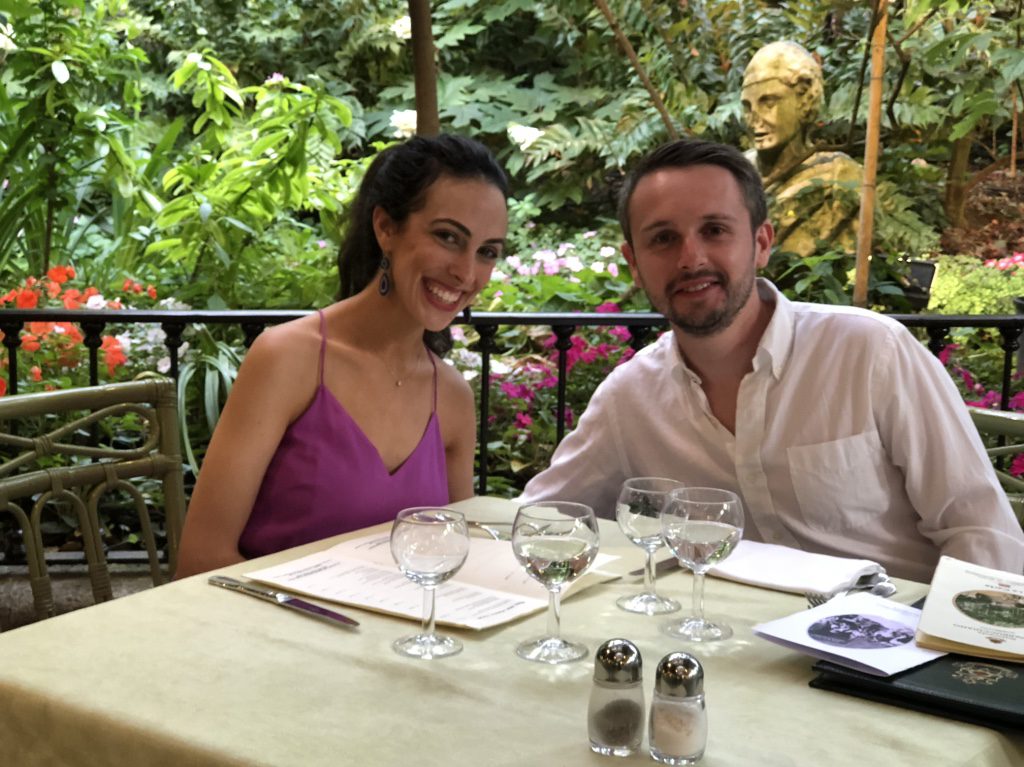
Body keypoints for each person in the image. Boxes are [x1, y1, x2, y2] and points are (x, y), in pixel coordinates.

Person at [520, 138, 1024, 582]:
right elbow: (541, 518)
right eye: (663, 238)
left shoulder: (870, 353)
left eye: (715, 230)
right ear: (633, 264)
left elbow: (980, 532)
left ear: (761, 243)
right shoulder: (630, 399)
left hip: (897, 651)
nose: (690, 258)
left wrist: (954, 660)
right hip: (736, 661)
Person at [175, 134, 509, 578]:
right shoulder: (288, 358)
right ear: (386, 227)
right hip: (267, 634)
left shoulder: (451, 397)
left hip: (397, 641)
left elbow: (451, 559)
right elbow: (200, 560)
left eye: (487, 252)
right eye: (448, 237)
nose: (467, 273)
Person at [740, 40, 862, 259]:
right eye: (748, 107)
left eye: (768, 103)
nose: (754, 120)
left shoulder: (840, 176)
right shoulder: (736, 173)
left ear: (803, 100)